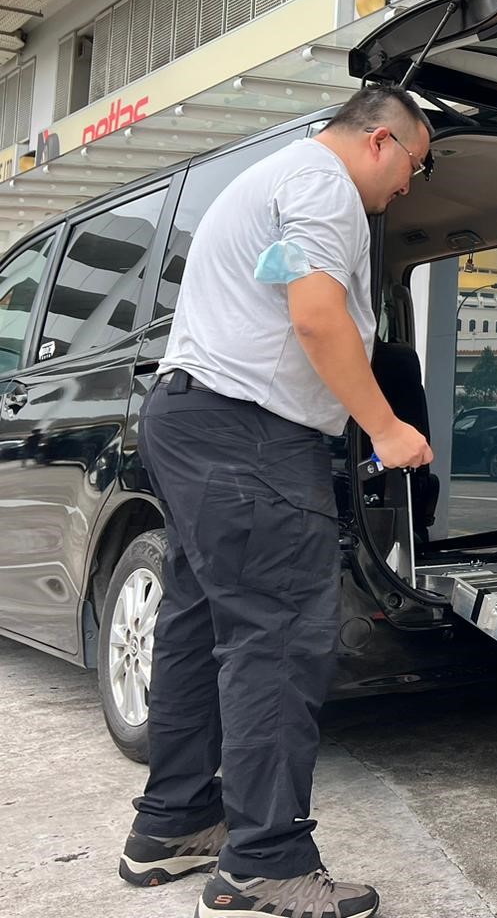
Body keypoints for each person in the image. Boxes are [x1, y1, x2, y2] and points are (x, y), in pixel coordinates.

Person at [118, 86, 436, 918]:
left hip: (194, 421)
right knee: (278, 638)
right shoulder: (326, 186)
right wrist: (385, 427)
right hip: (248, 435)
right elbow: (318, 318)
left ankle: (175, 821)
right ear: (380, 142)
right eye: (416, 164)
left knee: (196, 624)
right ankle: (264, 864)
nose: (411, 186)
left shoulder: (280, 176)